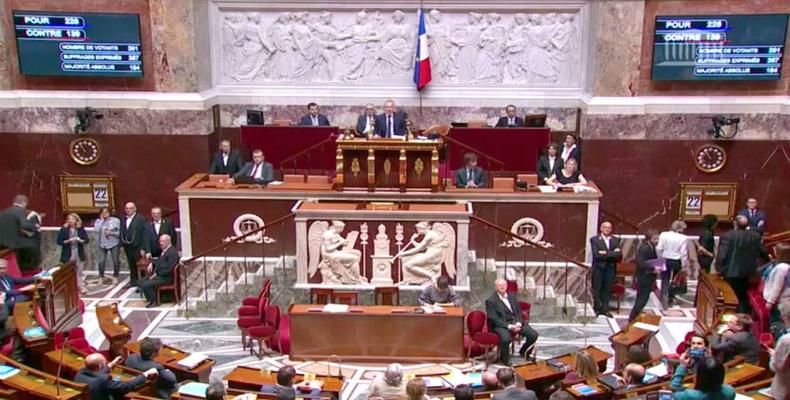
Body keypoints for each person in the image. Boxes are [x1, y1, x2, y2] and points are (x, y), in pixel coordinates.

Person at [717, 215, 768, 313]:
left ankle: (731, 317)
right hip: (749, 272)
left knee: (731, 297)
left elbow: (722, 255)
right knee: (744, 296)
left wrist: (720, 269)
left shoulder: (728, 235)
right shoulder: (755, 236)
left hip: (731, 272)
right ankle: (743, 318)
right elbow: (763, 252)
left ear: (735, 223)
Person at [485, 279, 539, 365]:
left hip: (515, 322)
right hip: (501, 325)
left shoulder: (512, 295)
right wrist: (510, 326)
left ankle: (524, 352)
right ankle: (505, 359)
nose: (502, 287)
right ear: (495, 287)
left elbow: (518, 311)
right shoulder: (490, 301)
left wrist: (519, 322)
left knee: (533, 335)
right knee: (506, 339)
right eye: (500, 285)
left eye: (504, 285)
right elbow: (494, 319)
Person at [74, 353, 157, 400]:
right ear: (100, 366)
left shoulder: (80, 373)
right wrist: (145, 375)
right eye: (105, 362)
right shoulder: (103, 380)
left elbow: (96, 374)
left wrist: (111, 364)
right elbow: (124, 387)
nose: (106, 363)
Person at [590, 221, 622, 318]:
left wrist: (605, 253)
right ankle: (597, 308)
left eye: (609, 227)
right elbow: (596, 255)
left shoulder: (616, 240)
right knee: (597, 288)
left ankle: (605, 309)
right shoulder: (595, 240)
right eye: (605, 227)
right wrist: (612, 253)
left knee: (607, 289)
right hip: (599, 268)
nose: (607, 229)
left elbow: (619, 256)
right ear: (601, 228)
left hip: (610, 268)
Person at [0, 195, 41, 270]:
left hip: (1, 243)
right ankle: (30, 269)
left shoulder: (3, 212)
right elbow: (25, 225)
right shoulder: (20, 211)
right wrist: (35, 227)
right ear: (24, 203)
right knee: (33, 244)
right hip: (14, 243)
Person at [139, 235, 179, 308]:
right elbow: (160, 261)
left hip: (166, 278)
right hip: (161, 275)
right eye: (160, 241)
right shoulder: (165, 250)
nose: (161, 243)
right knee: (141, 281)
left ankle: (153, 301)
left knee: (146, 284)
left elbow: (168, 269)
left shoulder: (172, 253)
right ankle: (152, 297)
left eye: (163, 241)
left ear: (168, 241)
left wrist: (156, 274)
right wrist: (152, 263)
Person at [629, 229, 660, 322]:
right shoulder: (644, 248)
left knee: (643, 298)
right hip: (644, 277)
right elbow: (640, 263)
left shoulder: (651, 247)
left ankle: (636, 314)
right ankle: (633, 317)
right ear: (649, 239)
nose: (657, 241)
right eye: (655, 239)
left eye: (658, 239)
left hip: (648, 277)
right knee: (642, 298)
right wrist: (653, 269)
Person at [656, 220, 689, 308]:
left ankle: (664, 300)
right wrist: (684, 265)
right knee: (675, 281)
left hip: (665, 259)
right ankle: (671, 297)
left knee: (665, 280)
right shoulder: (683, 238)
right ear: (680, 229)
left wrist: (660, 260)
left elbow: (659, 248)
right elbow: (683, 253)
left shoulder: (663, 234)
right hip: (676, 261)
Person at [671, 357, 735, 400]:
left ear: (699, 377)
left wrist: (682, 366)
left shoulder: (689, 395)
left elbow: (673, 388)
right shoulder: (730, 391)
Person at [56, 213, 89, 293]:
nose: (70, 220)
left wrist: (80, 240)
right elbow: (59, 242)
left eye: (72, 219)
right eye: (69, 219)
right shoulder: (64, 229)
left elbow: (86, 240)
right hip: (68, 252)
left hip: (78, 252)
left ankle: (80, 286)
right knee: (69, 271)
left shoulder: (80, 229)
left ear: (76, 220)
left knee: (79, 271)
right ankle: (68, 288)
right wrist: (68, 241)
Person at [120, 201, 148, 288]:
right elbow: (122, 232)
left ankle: (142, 283)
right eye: (127, 208)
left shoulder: (141, 219)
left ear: (135, 208)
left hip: (138, 246)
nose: (128, 210)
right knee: (131, 264)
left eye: (130, 208)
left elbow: (145, 234)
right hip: (128, 246)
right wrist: (121, 245)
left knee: (140, 265)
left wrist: (143, 248)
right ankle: (133, 281)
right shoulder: (123, 219)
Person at [763, 243, 790, 330]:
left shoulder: (782, 268)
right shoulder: (780, 265)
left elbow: (777, 286)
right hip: (777, 301)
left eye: (775, 250)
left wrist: (770, 302)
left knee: (779, 324)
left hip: (778, 302)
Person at [769, 300, 790, 400]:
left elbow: (777, 367)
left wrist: (774, 356)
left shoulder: (786, 340)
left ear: (785, 317)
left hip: (785, 389)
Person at [94, 207, 121, 279]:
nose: (104, 214)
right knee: (101, 261)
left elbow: (120, 233)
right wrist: (101, 221)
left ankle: (116, 276)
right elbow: (96, 230)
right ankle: (101, 276)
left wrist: (112, 233)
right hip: (102, 244)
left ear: (109, 213)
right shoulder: (98, 221)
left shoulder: (116, 221)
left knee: (115, 260)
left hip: (114, 243)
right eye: (102, 212)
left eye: (106, 212)